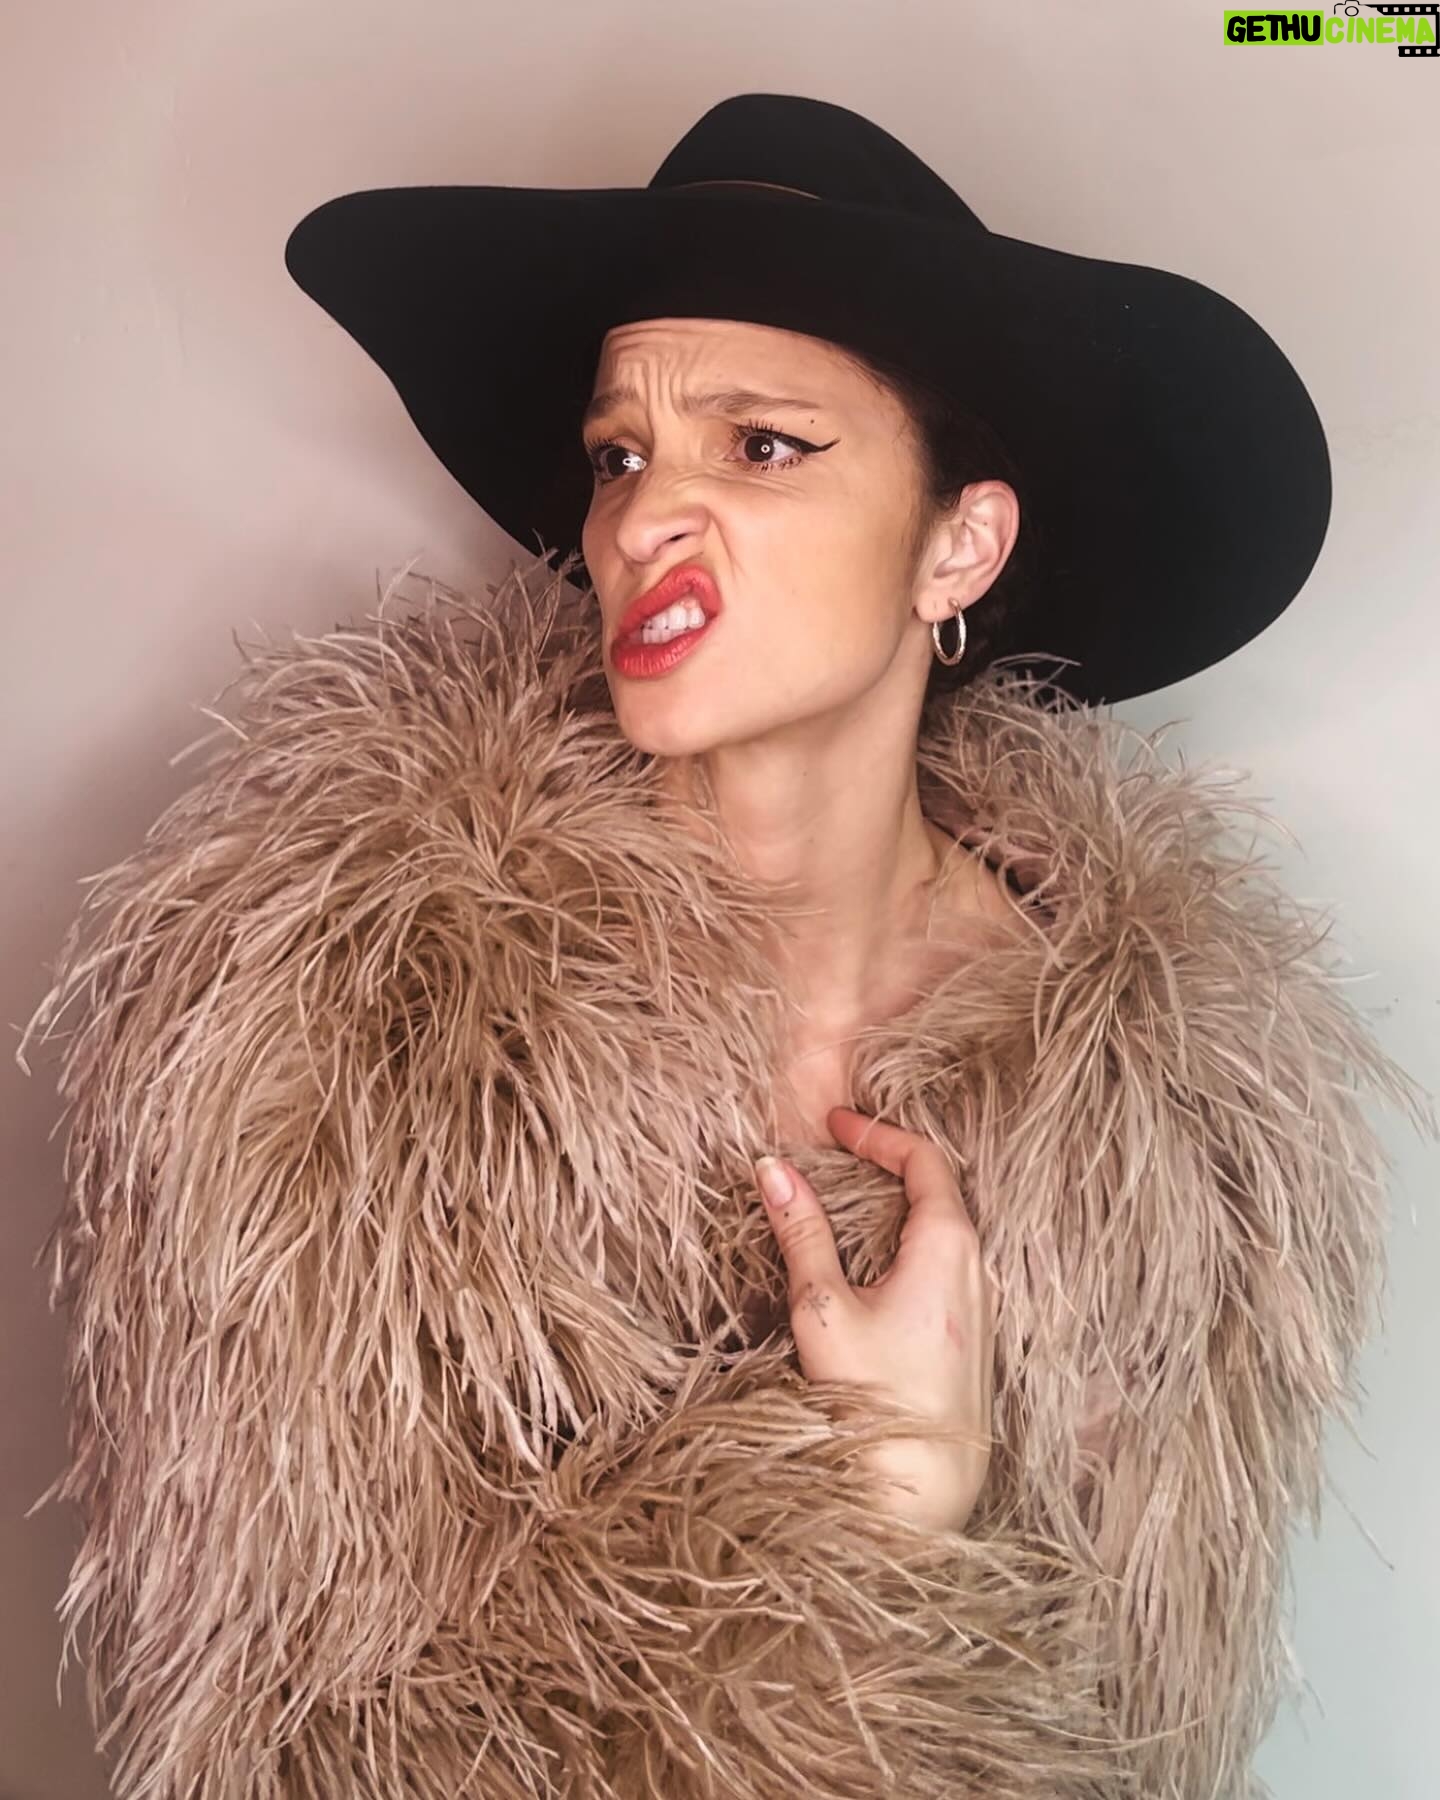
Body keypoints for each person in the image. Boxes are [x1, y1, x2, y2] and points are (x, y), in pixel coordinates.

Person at [17, 92, 1434, 1800]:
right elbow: (296, 1723)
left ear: (959, 545)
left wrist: (912, 1526)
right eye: (620, 454)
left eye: (762, 447)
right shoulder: (328, 1029)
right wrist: (879, 1524)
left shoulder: (1172, 1128)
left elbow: (1147, 1730)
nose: (638, 522)